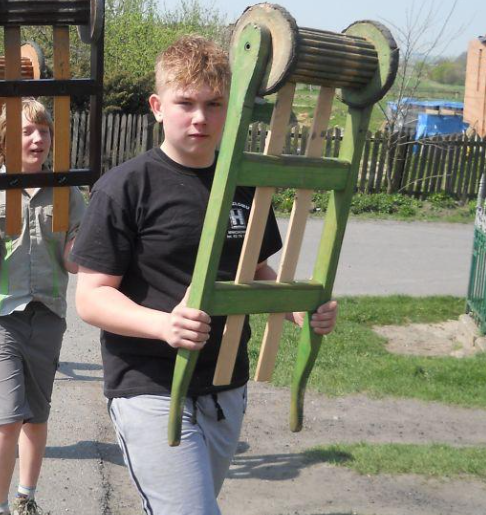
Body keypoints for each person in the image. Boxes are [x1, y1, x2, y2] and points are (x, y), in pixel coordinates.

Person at [70, 35, 339, 515]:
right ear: (157, 106)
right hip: (149, 383)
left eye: (214, 104)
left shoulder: (245, 183)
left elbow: (254, 270)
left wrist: (294, 303)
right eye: (186, 103)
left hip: (226, 384)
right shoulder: (126, 188)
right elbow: (91, 297)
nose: (200, 118)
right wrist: (163, 325)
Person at [0, 99, 85, 515]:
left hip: (48, 315)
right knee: (7, 416)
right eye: (26, 132)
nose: (37, 139)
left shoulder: (68, 191)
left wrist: (92, 233)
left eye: (44, 131)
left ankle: (25, 498)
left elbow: (71, 262)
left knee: (36, 415)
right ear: (4, 142)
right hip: (2, 315)